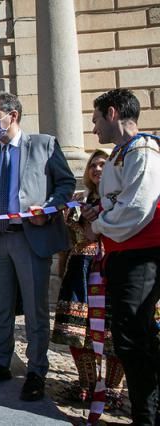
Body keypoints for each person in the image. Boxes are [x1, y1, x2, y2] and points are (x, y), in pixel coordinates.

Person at [0, 92, 76, 402]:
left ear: (12, 115)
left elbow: (66, 184)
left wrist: (48, 209)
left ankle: (36, 371)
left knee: (34, 309)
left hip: (32, 240)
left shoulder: (44, 145)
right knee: (1, 309)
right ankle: (1, 363)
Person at [81, 88, 160, 424]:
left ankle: (147, 414)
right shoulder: (119, 155)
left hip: (143, 255)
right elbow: (115, 201)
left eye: (97, 119)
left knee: (135, 334)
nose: (95, 129)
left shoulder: (144, 151)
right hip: (121, 255)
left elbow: (137, 209)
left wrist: (97, 225)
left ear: (112, 113)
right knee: (130, 335)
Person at [51, 148, 125, 409]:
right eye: (93, 165)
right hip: (80, 268)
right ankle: (88, 382)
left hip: (111, 268)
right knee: (77, 331)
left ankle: (114, 387)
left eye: (103, 164)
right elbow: (71, 241)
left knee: (114, 332)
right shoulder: (77, 200)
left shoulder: (122, 199)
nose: (97, 169)